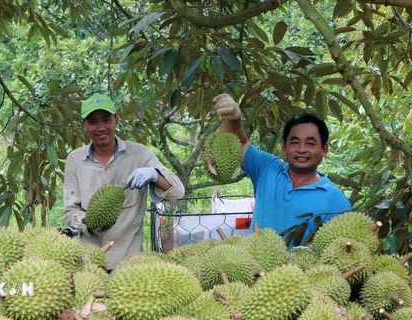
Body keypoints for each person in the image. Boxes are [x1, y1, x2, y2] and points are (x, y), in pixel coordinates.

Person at [64, 93, 185, 270]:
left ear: (116, 120)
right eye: (93, 122)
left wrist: (154, 174)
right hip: (88, 265)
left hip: (129, 265)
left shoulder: (140, 155)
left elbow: (177, 191)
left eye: (106, 120)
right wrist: (88, 222)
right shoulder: (75, 160)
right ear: (84, 125)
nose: (101, 127)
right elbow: (70, 211)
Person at [213, 93, 351, 247]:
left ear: (324, 149)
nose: (301, 149)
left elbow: (341, 249)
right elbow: (240, 145)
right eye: (294, 142)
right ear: (284, 149)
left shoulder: (335, 199)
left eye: (310, 144)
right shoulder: (267, 169)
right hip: (249, 268)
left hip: (300, 270)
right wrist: (234, 118)